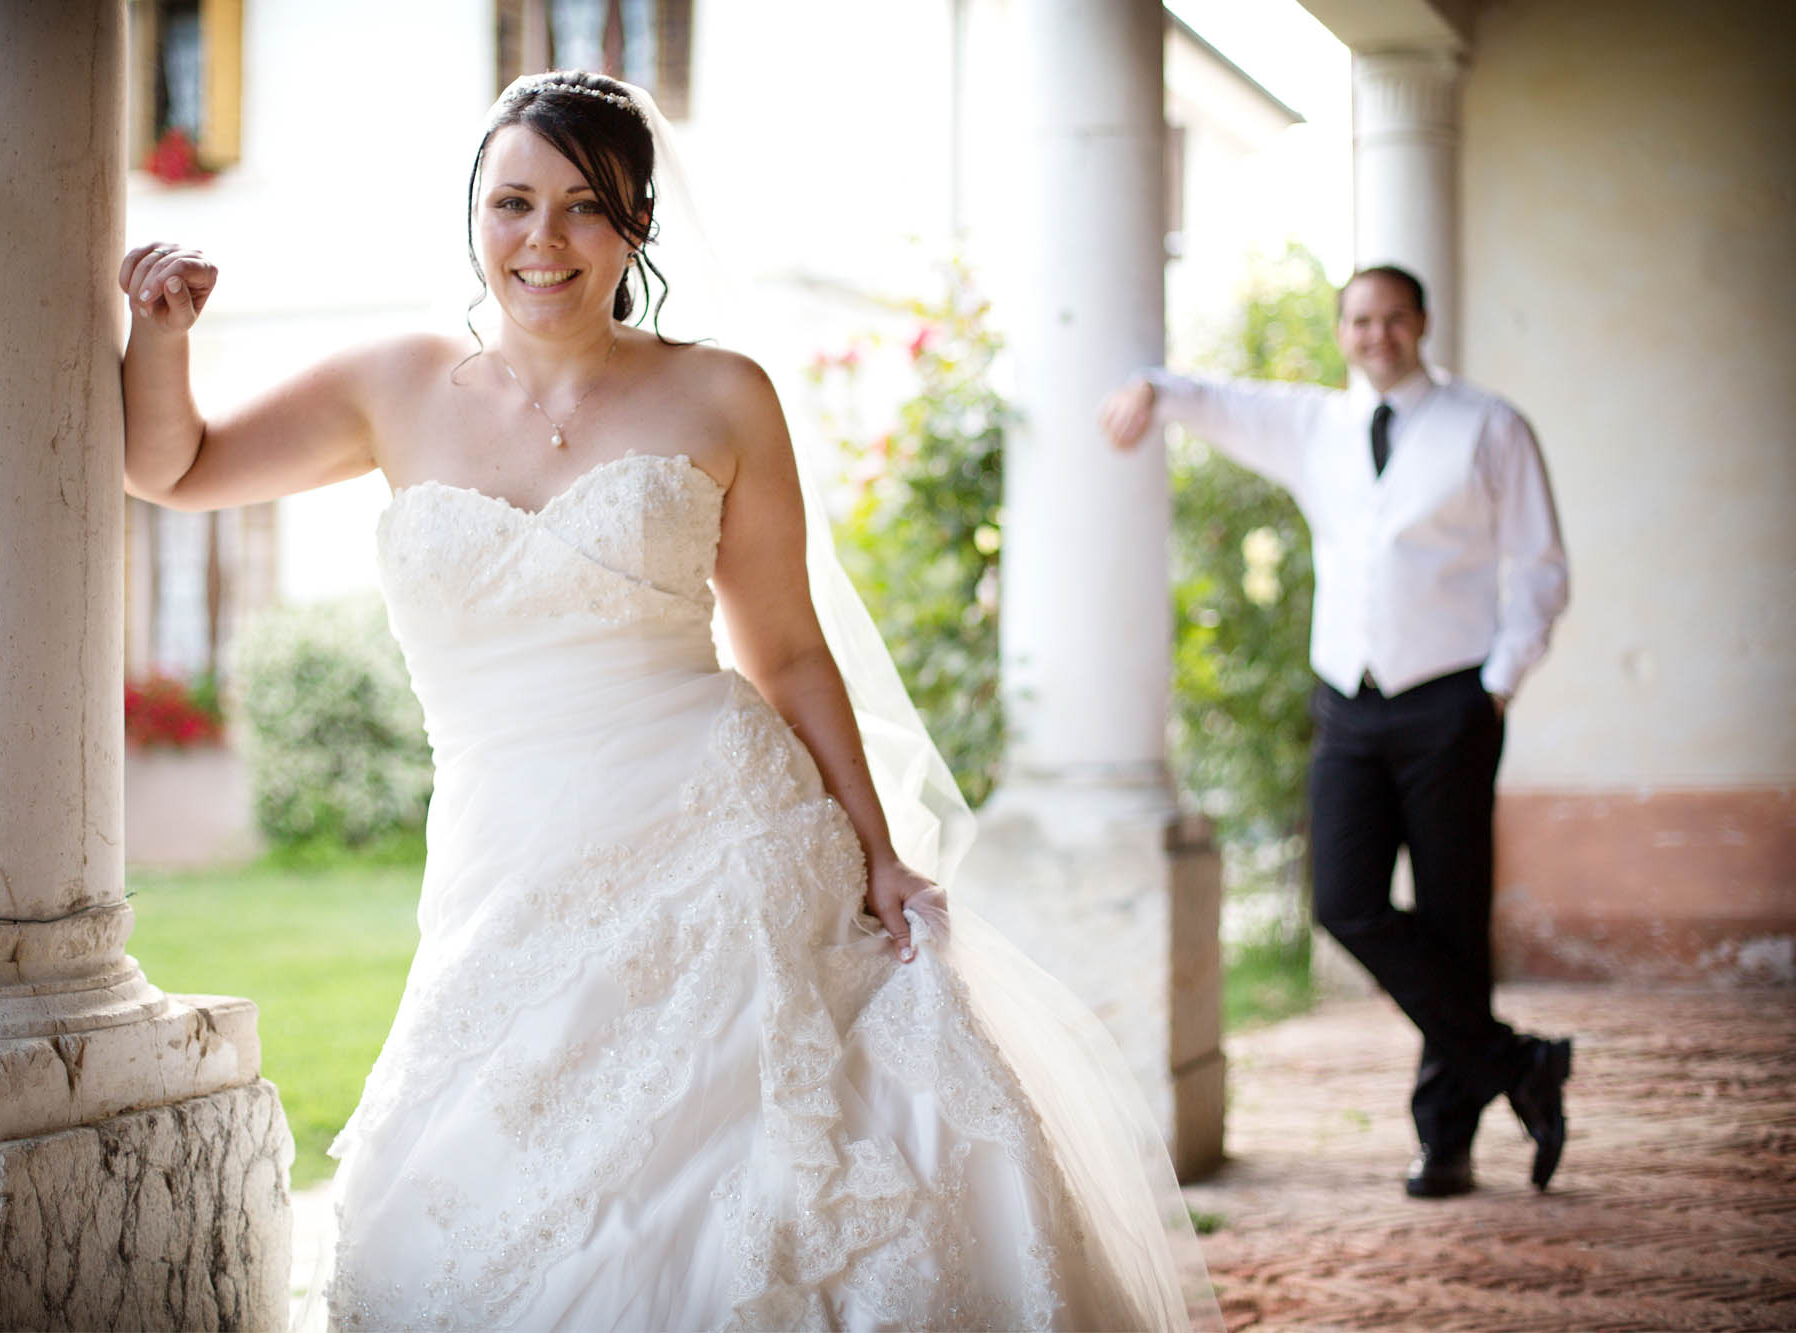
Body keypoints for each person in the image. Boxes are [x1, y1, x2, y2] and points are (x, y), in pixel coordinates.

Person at [124, 71, 1217, 1330]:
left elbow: (790, 651)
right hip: (509, 850)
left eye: (586, 207)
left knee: (771, 1170)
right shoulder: (395, 385)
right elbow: (175, 465)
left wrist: (879, 852)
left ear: (637, 223)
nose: (543, 241)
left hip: (722, 832)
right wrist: (163, 331)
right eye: (512, 203)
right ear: (473, 217)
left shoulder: (719, 395)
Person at [1099, 265, 1572, 1200]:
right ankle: (1518, 1062)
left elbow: (1542, 566)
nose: (1378, 335)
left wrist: (1497, 686)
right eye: (1361, 320)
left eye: (1395, 317)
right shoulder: (1318, 426)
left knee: (1450, 915)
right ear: (1343, 329)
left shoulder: (1489, 425)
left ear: (1423, 323)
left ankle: (1445, 1138)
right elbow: (1225, 402)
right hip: (1348, 705)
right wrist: (1153, 389)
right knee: (1344, 900)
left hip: (1450, 703)